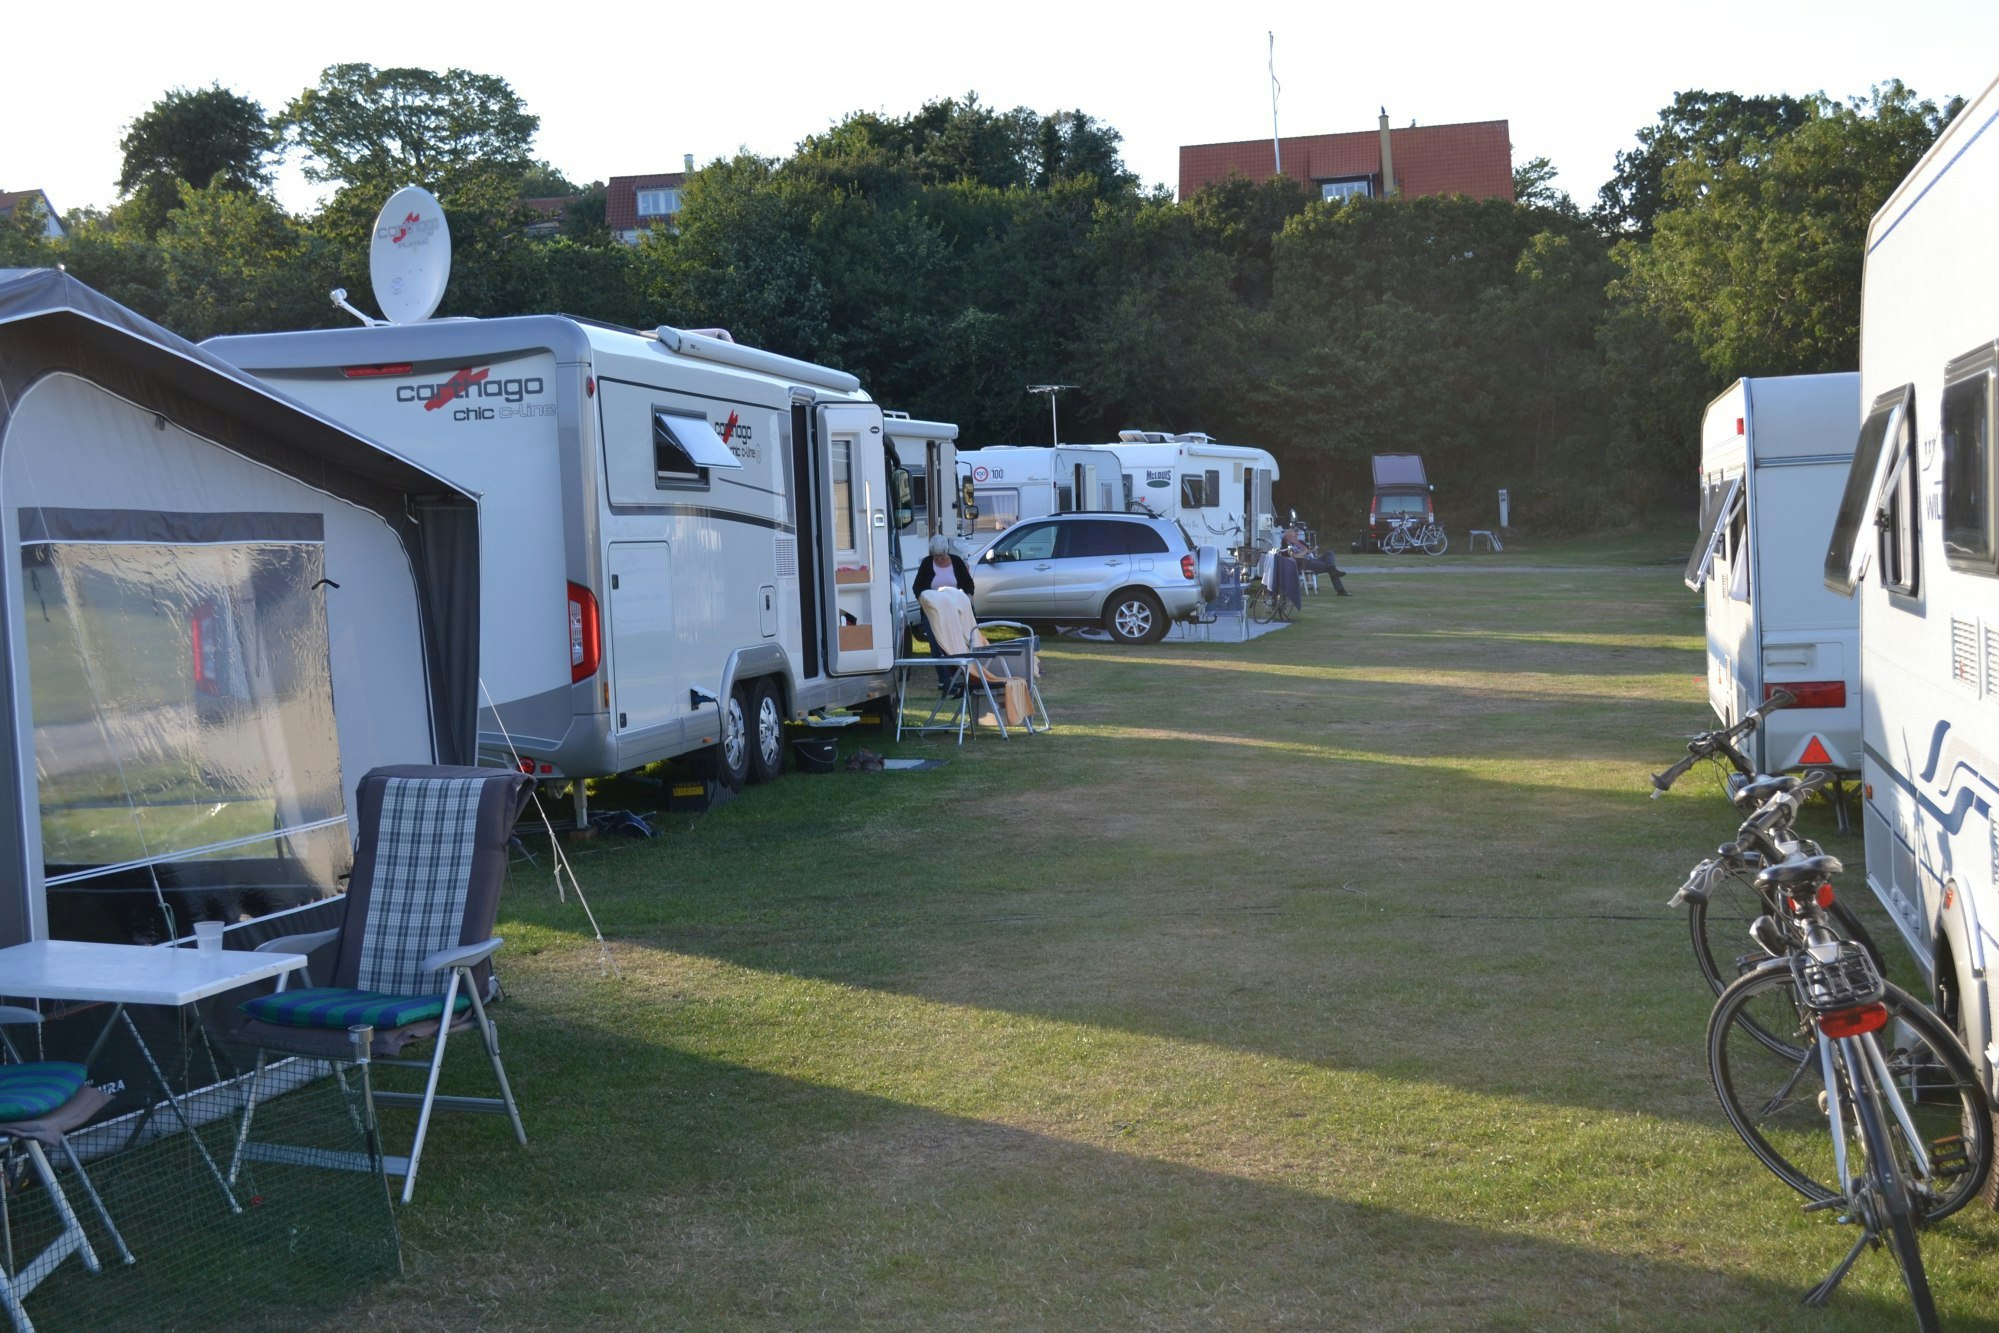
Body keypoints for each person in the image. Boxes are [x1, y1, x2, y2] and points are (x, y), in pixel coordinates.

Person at [912, 535, 976, 688]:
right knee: (936, 644)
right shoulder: (927, 564)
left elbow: (969, 585)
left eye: (942, 556)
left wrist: (965, 599)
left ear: (947, 552)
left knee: (957, 641)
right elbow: (917, 588)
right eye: (936, 556)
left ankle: (959, 675)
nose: (939, 559)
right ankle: (944, 679)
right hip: (934, 611)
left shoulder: (957, 562)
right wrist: (925, 600)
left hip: (955, 609)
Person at [1281, 525, 1351, 596]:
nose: (1296, 537)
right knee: (1330, 568)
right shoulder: (1285, 547)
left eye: (1296, 535)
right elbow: (1296, 556)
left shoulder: (1297, 542)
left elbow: (1307, 551)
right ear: (1288, 537)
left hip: (1311, 560)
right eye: (1293, 536)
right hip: (1305, 564)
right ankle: (1340, 590)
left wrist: (1306, 548)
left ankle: (1332, 569)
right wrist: (1305, 551)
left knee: (1329, 553)